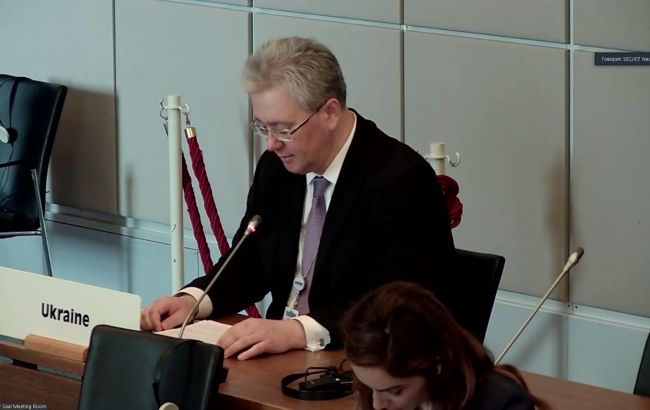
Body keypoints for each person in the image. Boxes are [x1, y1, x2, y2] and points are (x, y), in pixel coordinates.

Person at [141, 36, 454, 360]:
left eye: (284, 129)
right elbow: (251, 261)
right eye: (262, 127)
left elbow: (397, 303)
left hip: (360, 362)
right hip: (282, 359)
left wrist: (298, 330)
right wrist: (194, 300)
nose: (272, 144)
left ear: (330, 112)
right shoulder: (277, 168)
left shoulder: (400, 181)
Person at [341, 281, 550, 410]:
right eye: (368, 387)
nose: (377, 405)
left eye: (395, 392)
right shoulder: (380, 391)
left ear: (438, 367)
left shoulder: (503, 403)